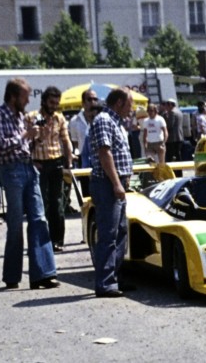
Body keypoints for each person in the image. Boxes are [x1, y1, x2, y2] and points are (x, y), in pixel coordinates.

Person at [0, 78, 59, 290]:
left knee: (39, 219)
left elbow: (23, 143)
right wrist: (26, 134)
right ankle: (12, 275)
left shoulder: (20, 116)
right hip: (12, 171)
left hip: (29, 167)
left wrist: (36, 137)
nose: (28, 101)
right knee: (16, 224)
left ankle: (43, 274)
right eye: (25, 97)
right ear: (13, 96)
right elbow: (2, 144)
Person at [89, 88, 135, 298]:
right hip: (107, 184)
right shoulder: (104, 120)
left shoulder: (115, 121)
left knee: (120, 232)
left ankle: (114, 278)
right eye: (129, 104)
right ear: (118, 103)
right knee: (108, 234)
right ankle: (105, 283)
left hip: (117, 184)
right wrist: (117, 184)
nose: (132, 109)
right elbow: (104, 153)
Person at [30, 86, 74, 252]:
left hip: (56, 162)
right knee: (40, 203)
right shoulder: (32, 117)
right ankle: (41, 240)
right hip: (38, 164)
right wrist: (31, 161)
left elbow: (66, 140)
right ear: (44, 101)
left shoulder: (59, 118)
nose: (54, 105)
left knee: (57, 202)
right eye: (51, 102)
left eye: (57, 103)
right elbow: (27, 143)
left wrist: (69, 161)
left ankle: (57, 240)